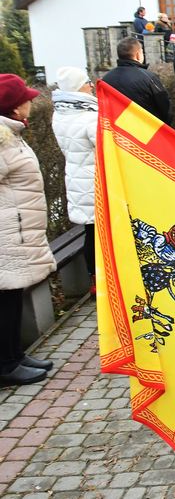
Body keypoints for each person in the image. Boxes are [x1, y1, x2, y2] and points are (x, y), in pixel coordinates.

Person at [0, 74, 56, 387]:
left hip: (18, 228)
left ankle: (15, 354)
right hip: (8, 231)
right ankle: (6, 365)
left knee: (13, 295)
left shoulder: (10, 133)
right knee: (6, 298)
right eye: (26, 98)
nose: (32, 101)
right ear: (14, 106)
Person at [51, 68, 98, 278]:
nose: (92, 85)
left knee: (91, 231)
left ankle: (94, 279)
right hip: (95, 181)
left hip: (77, 179)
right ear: (79, 86)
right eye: (88, 81)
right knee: (100, 233)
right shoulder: (88, 117)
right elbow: (107, 147)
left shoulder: (60, 113)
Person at [102, 37, 173, 124]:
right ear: (138, 55)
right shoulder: (149, 77)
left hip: (118, 131)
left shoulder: (105, 79)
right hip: (148, 130)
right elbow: (165, 107)